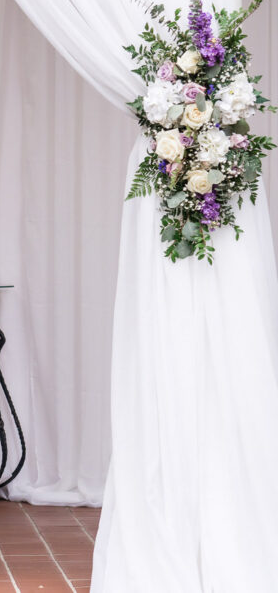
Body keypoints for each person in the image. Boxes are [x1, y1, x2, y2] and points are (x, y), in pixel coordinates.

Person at [90, 145, 278, 589]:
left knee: (229, 347)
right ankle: (177, 522)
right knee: (169, 339)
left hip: (213, 164)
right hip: (172, 166)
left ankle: (232, 530)